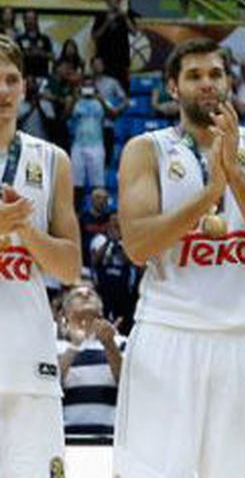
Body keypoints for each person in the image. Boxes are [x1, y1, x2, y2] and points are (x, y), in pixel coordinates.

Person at [113, 37, 245, 477]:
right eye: (194, 76)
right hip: (167, 334)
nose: (207, 84)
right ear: (173, 88)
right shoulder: (146, 149)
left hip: (244, 337)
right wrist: (209, 195)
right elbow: (138, 246)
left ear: (229, 82)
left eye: (215, 74)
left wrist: (234, 174)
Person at [0, 35, 82, 477]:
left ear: (26, 88)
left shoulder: (52, 160)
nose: (3, 91)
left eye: (11, 80)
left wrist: (24, 230)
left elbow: (69, 269)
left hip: (30, 357)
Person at [57, 283, 125, 435]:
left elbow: (128, 385)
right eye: (77, 295)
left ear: (101, 309)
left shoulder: (121, 343)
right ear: (65, 312)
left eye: (91, 294)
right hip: (67, 437)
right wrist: (75, 345)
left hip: (111, 437)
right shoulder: (56, 347)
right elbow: (50, 384)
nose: (86, 295)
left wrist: (110, 345)